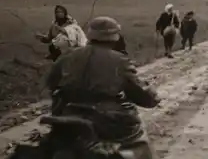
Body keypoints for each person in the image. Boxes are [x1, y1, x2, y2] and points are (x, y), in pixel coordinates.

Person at [45, 16, 160, 157]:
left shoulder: (67, 56)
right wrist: (152, 96)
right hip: (107, 121)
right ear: (115, 37)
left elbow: (51, 84)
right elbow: (139, 94)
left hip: (69, 115)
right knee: (138, 136)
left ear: (90, 35)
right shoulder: (119, 60)